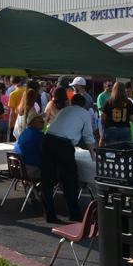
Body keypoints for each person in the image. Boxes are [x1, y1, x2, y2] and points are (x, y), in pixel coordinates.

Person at [40, 93, 95, 224]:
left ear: (72, 102)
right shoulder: (84, 113)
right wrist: (93, 154)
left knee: (47, 180)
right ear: (84, 105)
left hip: (48, 140)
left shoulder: (64, 110)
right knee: (70, 181)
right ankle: (74, 214)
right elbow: (88, 136)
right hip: (63, 145)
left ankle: (49, 215)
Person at [100, 81, 133, 146]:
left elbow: (103, 117)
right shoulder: (128, 102)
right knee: (124, 151)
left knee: (111, 151)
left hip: (110, 129)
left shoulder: (108, 102)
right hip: (124, 129)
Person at [13, 113, 44, 180]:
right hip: (30, 170)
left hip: (17, 169)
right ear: (32, 122)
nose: (43, 122)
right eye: (41, 121)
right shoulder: (38, 135)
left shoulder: (24, 132)